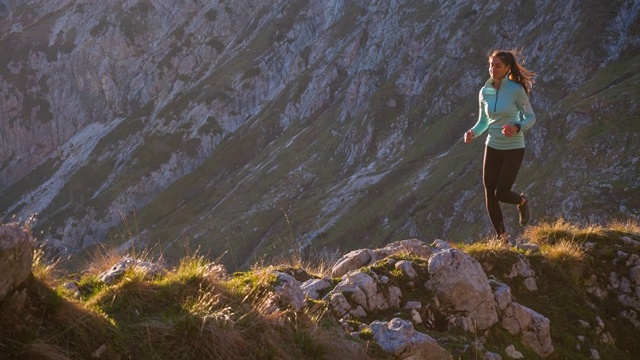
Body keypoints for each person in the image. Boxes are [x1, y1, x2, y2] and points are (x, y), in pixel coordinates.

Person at [464, 49, 536, 244]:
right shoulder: (484, 91)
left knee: (501, 192)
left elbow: (531, 117)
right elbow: (483, 121)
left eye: (497, 66)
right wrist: (473, 132)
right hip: (492, 146)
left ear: (507, 68)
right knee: (489, 192)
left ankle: (522, 201)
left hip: (513, 147)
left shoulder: (515, 90)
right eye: (490, 65)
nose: (492, 69)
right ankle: (502, 239)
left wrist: (516, 126)